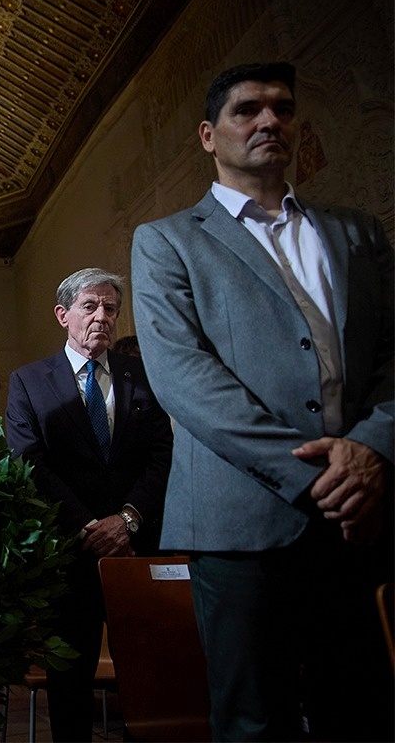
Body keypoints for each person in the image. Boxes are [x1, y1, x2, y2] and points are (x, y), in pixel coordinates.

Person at [131, 62, 393, 742]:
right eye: (247, 110)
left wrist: (372, 449)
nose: (269, 121)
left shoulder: (356, 232)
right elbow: (185, 378)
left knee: (363, 711)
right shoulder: (166, 241)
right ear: (209, 135)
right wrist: (321, 476)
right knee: (255, 723)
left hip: (358, 516)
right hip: (241, 524)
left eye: (282, 108)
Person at [4, 267, 172, 741]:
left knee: (148, 675)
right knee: (70, 684)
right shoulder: (29, 381)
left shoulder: (142, 374)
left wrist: (128, 519)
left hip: (135, 550)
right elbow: (28, 463)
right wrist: (89, 526)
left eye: (111, 308)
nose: (102, 316)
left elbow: (163, 453)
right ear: (63, 315)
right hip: (69, 555)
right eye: (90, 306)